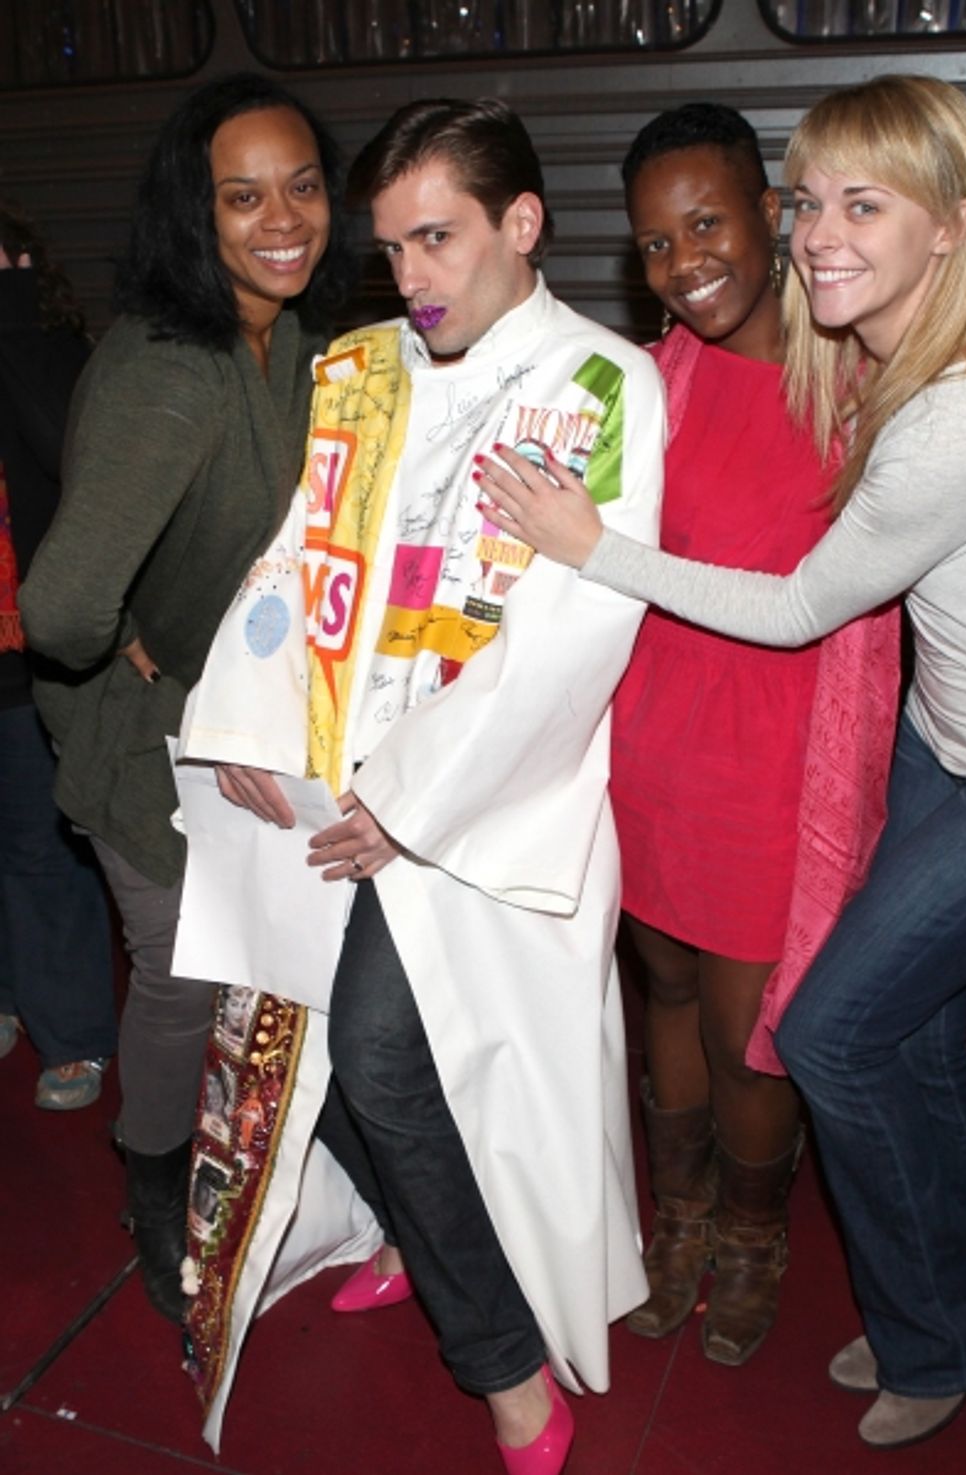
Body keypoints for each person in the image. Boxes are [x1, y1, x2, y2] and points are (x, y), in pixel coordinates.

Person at [476, 73, 966, 1450]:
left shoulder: (889, 380)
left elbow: (839, 581)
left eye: (726, 221)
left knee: (812, 1026)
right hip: (796, 737)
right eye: (659, 243)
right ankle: (763, 1247)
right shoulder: (700, 369)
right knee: (777, 1006)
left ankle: (844, 1282)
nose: (695, 263)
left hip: (913, 766)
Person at [174, 98, 663, 1470]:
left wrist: (411, 800)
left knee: (382, 1057)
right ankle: (403, 1226)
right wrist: (254, 736)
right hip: (331, 784)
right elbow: (291, 563)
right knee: (318, 1046)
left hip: (479, 814)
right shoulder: (365, 367)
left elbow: (573, 632)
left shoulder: (605, 384)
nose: (413, 280)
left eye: (438, 239)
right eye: (391, 249)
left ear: (523, 223)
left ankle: (504, 1367)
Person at [19, 73, 355, 1319]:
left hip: (230, 726)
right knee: (176, 970)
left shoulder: (293, 343)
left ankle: (241, 1149)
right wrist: (135, 646)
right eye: (243, 195)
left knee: (248, 960)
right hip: (135, 734)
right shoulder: (176, 368)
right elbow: (60, 608)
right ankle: (153, 1176)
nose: (283, 217)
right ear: (192, 213)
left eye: (304, 185)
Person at [0, 202, 118, 1110]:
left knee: (43, 846)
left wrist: (11, 313)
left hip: (26, 652)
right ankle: (10, 994)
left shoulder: (55, 356)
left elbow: (65, 452)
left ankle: (72, 1030)